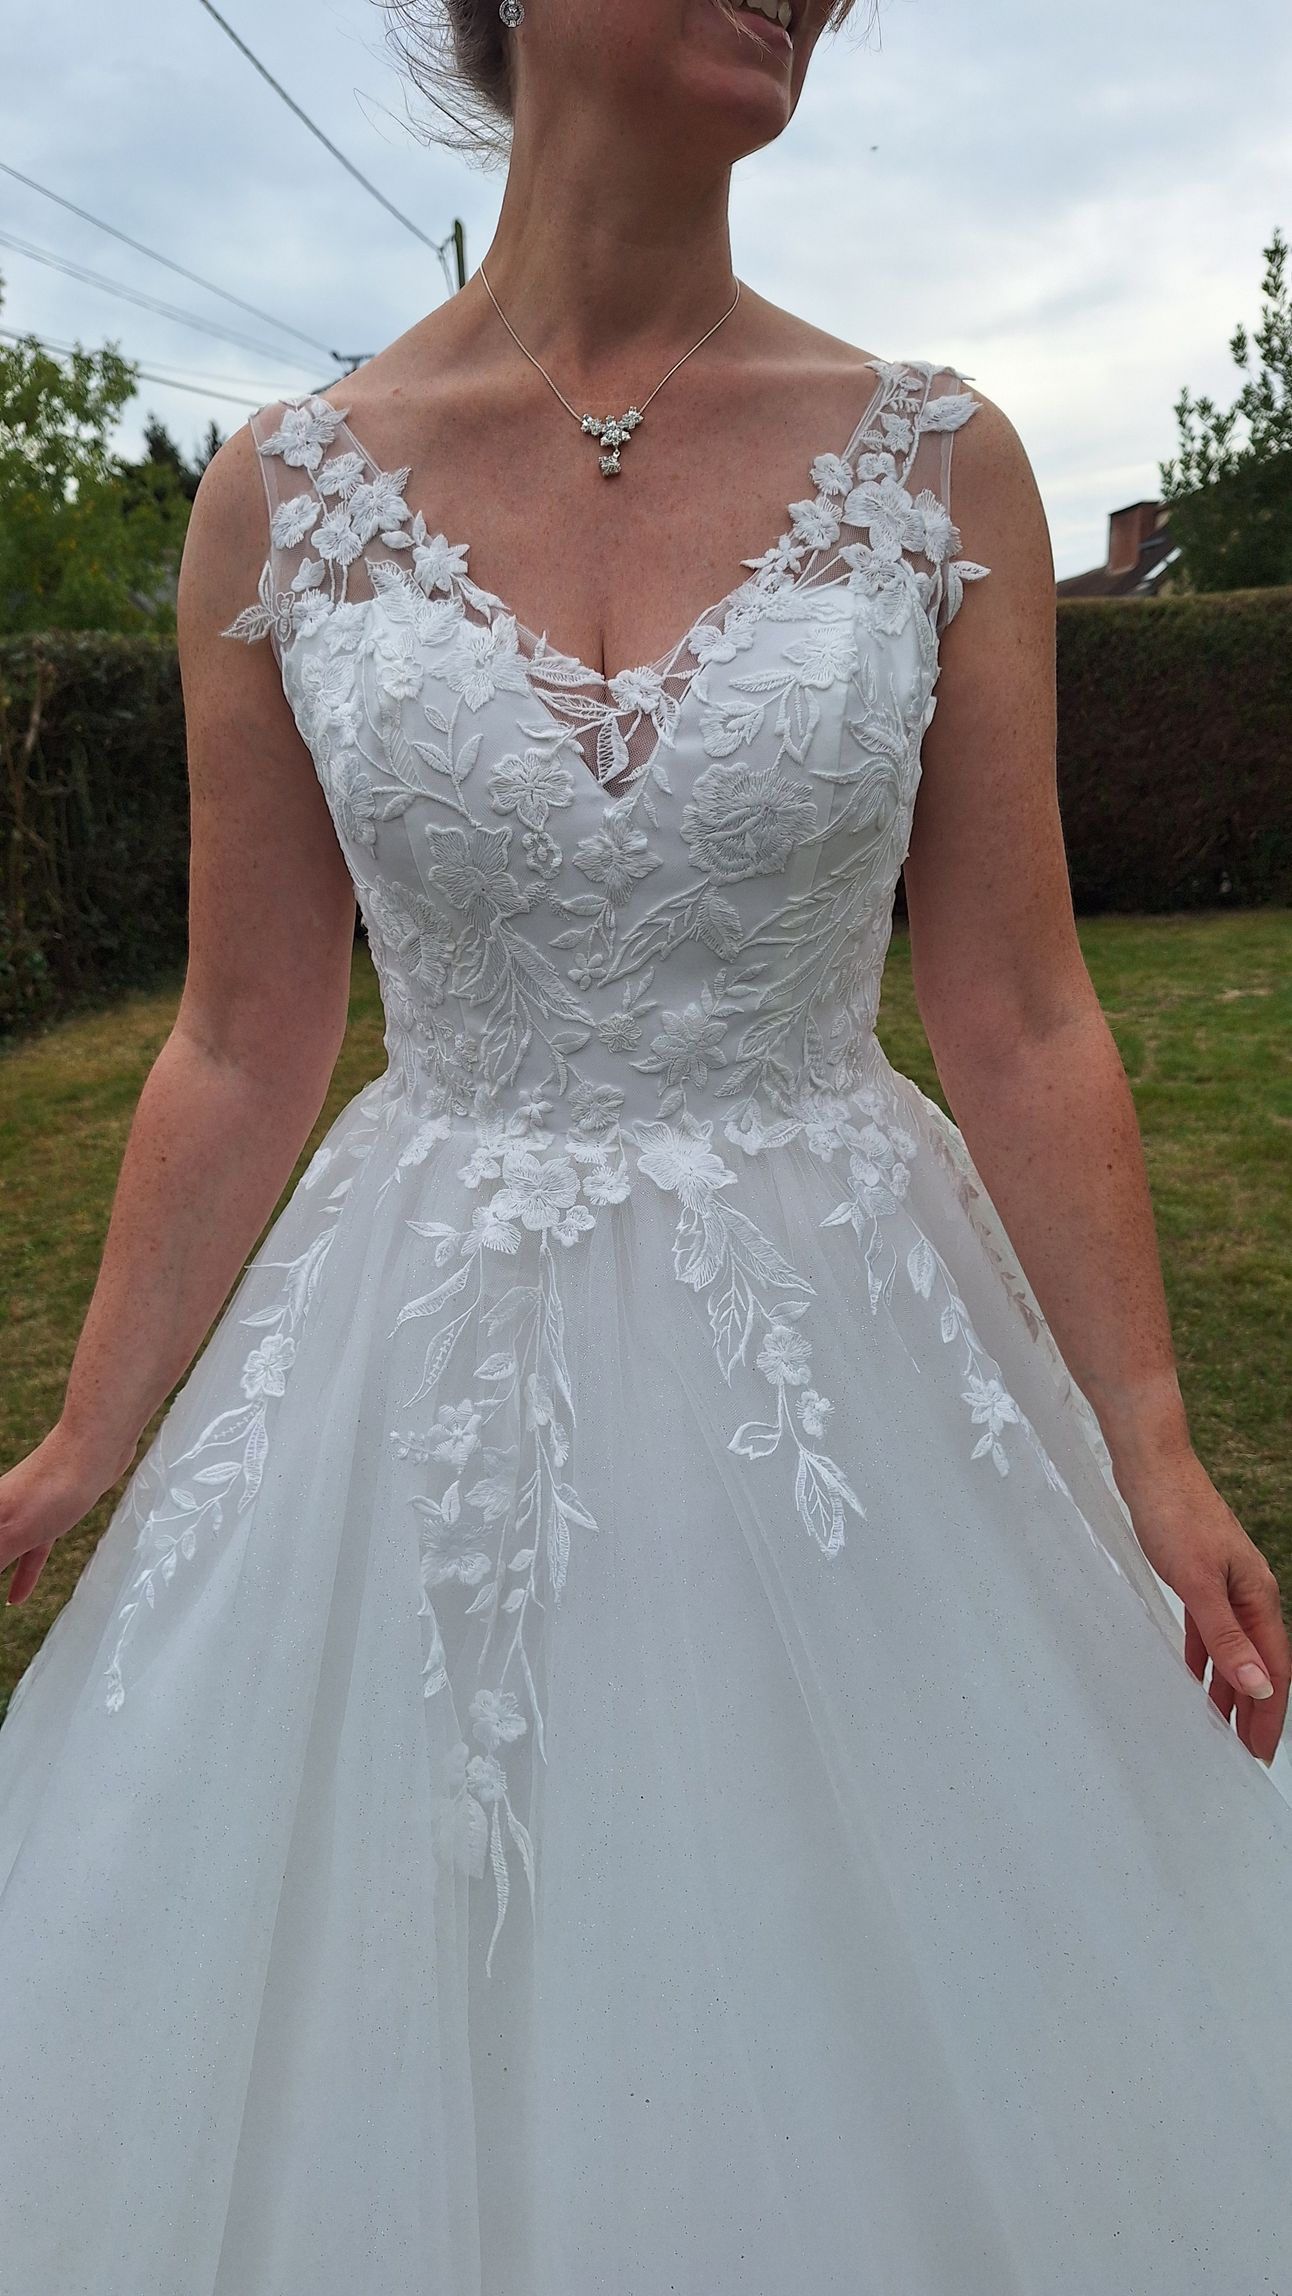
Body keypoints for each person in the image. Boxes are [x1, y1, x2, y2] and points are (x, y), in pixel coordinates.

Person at [2, 1, 1291, 2288]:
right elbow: (238, 1030)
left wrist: (1155, 1432)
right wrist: (90, 1433)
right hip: (416, 1385)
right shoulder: (279, 501)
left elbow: (1013, 1001)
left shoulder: (935, 464)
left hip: (853, 1391)